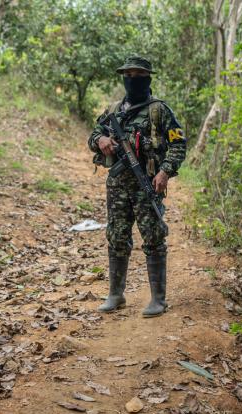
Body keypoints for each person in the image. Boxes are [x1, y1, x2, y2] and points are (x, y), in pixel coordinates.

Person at [87, 56, 187, 317]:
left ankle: (158, 300)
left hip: (148, 185)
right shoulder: (113, 111)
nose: (133, 80)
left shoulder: (159, 110)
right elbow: (93, 135)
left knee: (153, 237)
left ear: (148, 78)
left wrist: (165, 172)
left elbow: (178, 145)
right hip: (118, 186)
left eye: (138, 75)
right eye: (128, 75)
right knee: (117, 236)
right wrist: (102, 141)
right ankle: (116, 294)